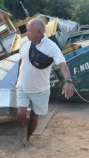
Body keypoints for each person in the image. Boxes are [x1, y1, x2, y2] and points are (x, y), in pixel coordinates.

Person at [16, 18, 74, 148]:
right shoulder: (24, 42)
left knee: (35, 116)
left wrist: (68, 81)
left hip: (41, 89)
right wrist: (17, 78)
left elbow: (62, 65)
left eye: (29, 31)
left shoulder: (51, 47)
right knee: (20, 113)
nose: (26, 33)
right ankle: (23, 129)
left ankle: (28, 138)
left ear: (39, 32)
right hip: (22, 86)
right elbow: (21, 61)